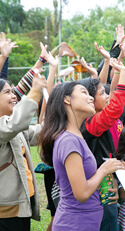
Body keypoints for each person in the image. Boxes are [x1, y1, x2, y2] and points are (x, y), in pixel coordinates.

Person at [39, 81, 125, 230]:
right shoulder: (68, 141)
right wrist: (103, 170)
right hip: (75, 224)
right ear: (67, 99)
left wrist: (107, 187)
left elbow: (85, 181)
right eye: (84, 92)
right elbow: (81, 193)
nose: (91, 97)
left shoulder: (76, 136)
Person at [79, 58, 125, 231]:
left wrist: (118, 72)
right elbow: (116, 109)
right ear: (89, 100)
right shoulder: (90, 123)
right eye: (102, 93)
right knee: (108, 222)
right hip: (99, 183)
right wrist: (122, 73)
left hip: (107, 178)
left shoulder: (95, 119)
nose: (108, 95)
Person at [0, 73, 46, 231]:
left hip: (21, 207)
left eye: (13, 92)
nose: (14, 96)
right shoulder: (8, 126)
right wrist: (35, 92)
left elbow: (38, 132)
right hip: (5, 212)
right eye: (7, 92)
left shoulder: (12, 126)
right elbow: (16, 124)